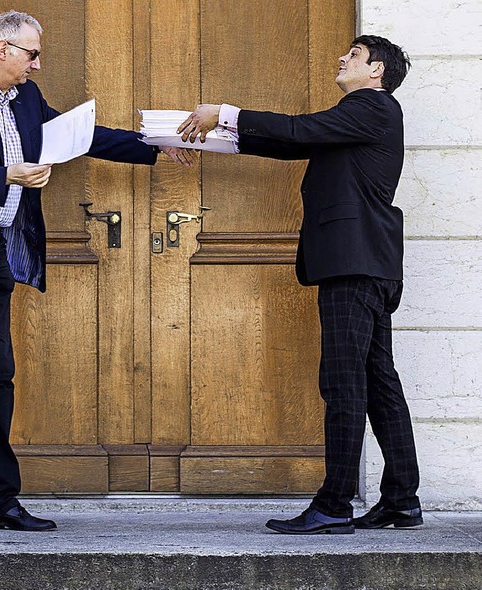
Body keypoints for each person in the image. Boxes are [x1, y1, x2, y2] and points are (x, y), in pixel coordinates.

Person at [0, 10, 193, 535]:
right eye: (31, 53)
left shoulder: (27, 102)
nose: (37, 64)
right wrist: (7, 174)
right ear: (1, 49)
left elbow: (83, 136)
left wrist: (159, 146)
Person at [179, 35, 422, 534]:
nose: (342, 58)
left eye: (353, 55)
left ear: (376, 70)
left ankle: (334, 504)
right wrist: (209, 134)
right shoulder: (359, 117)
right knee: (378, 383)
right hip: (365, 265)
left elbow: (298, 128)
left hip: (354, 267)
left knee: (343, 383)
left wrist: (223, 110)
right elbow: (291, 142)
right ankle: (401, 501)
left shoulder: (373, 106)